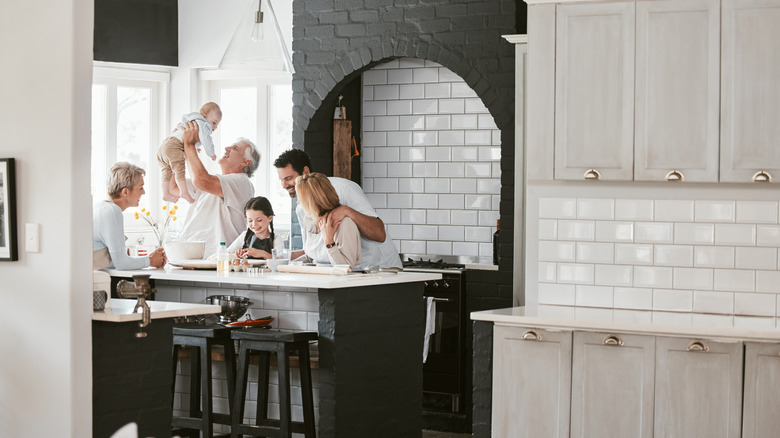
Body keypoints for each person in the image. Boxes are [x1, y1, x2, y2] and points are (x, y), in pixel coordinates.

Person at [274, 149, 402, 269]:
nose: (284, 185)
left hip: (378, 269)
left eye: (289, 178)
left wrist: (347, 211)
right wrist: (277, 257)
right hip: (341, 274)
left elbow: (379, 234)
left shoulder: (344, 189)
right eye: (281, 180)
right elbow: (313, 251)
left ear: (305, 171)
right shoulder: (302, 209)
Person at [178, 121, 260, 258]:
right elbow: (173, 187)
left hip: (216, 261)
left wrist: (189, 145)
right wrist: (177, 148)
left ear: (245, 163)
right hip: (191, 258)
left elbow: (200, 180)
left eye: (234, 149)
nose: (227, 148)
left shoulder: (242, 182)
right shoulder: (213, 183)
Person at [93, 162, 166, 270]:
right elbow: (122, 264)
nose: (144, 192)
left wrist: (146, 259)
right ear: (125, 192)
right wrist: (151, 260)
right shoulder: (112, 211)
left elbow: (112, 262)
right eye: (141, 188)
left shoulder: (100, 208)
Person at [157, 102, 222, 204]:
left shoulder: (190, 121)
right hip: (174, 145)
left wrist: (194, 148)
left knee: (166, 171)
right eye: (214, 123)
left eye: (217, 125)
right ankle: (184, 192)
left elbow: (185, 137)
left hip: (164, 146)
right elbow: (207, 140)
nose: (215, 127)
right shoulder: (203, 123)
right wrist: (211, 153)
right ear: (204, 117)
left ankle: (165, 193)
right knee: (180, 169)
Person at [295, 172, 361, 267]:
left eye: (301, 199)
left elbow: (347, 267)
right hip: (317, 278)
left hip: (339, 280)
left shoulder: (345, 224)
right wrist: (284, 261)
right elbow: (311, 257)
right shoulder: (309, 220)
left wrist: (329, 241)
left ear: (312, 201)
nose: (298, 202)